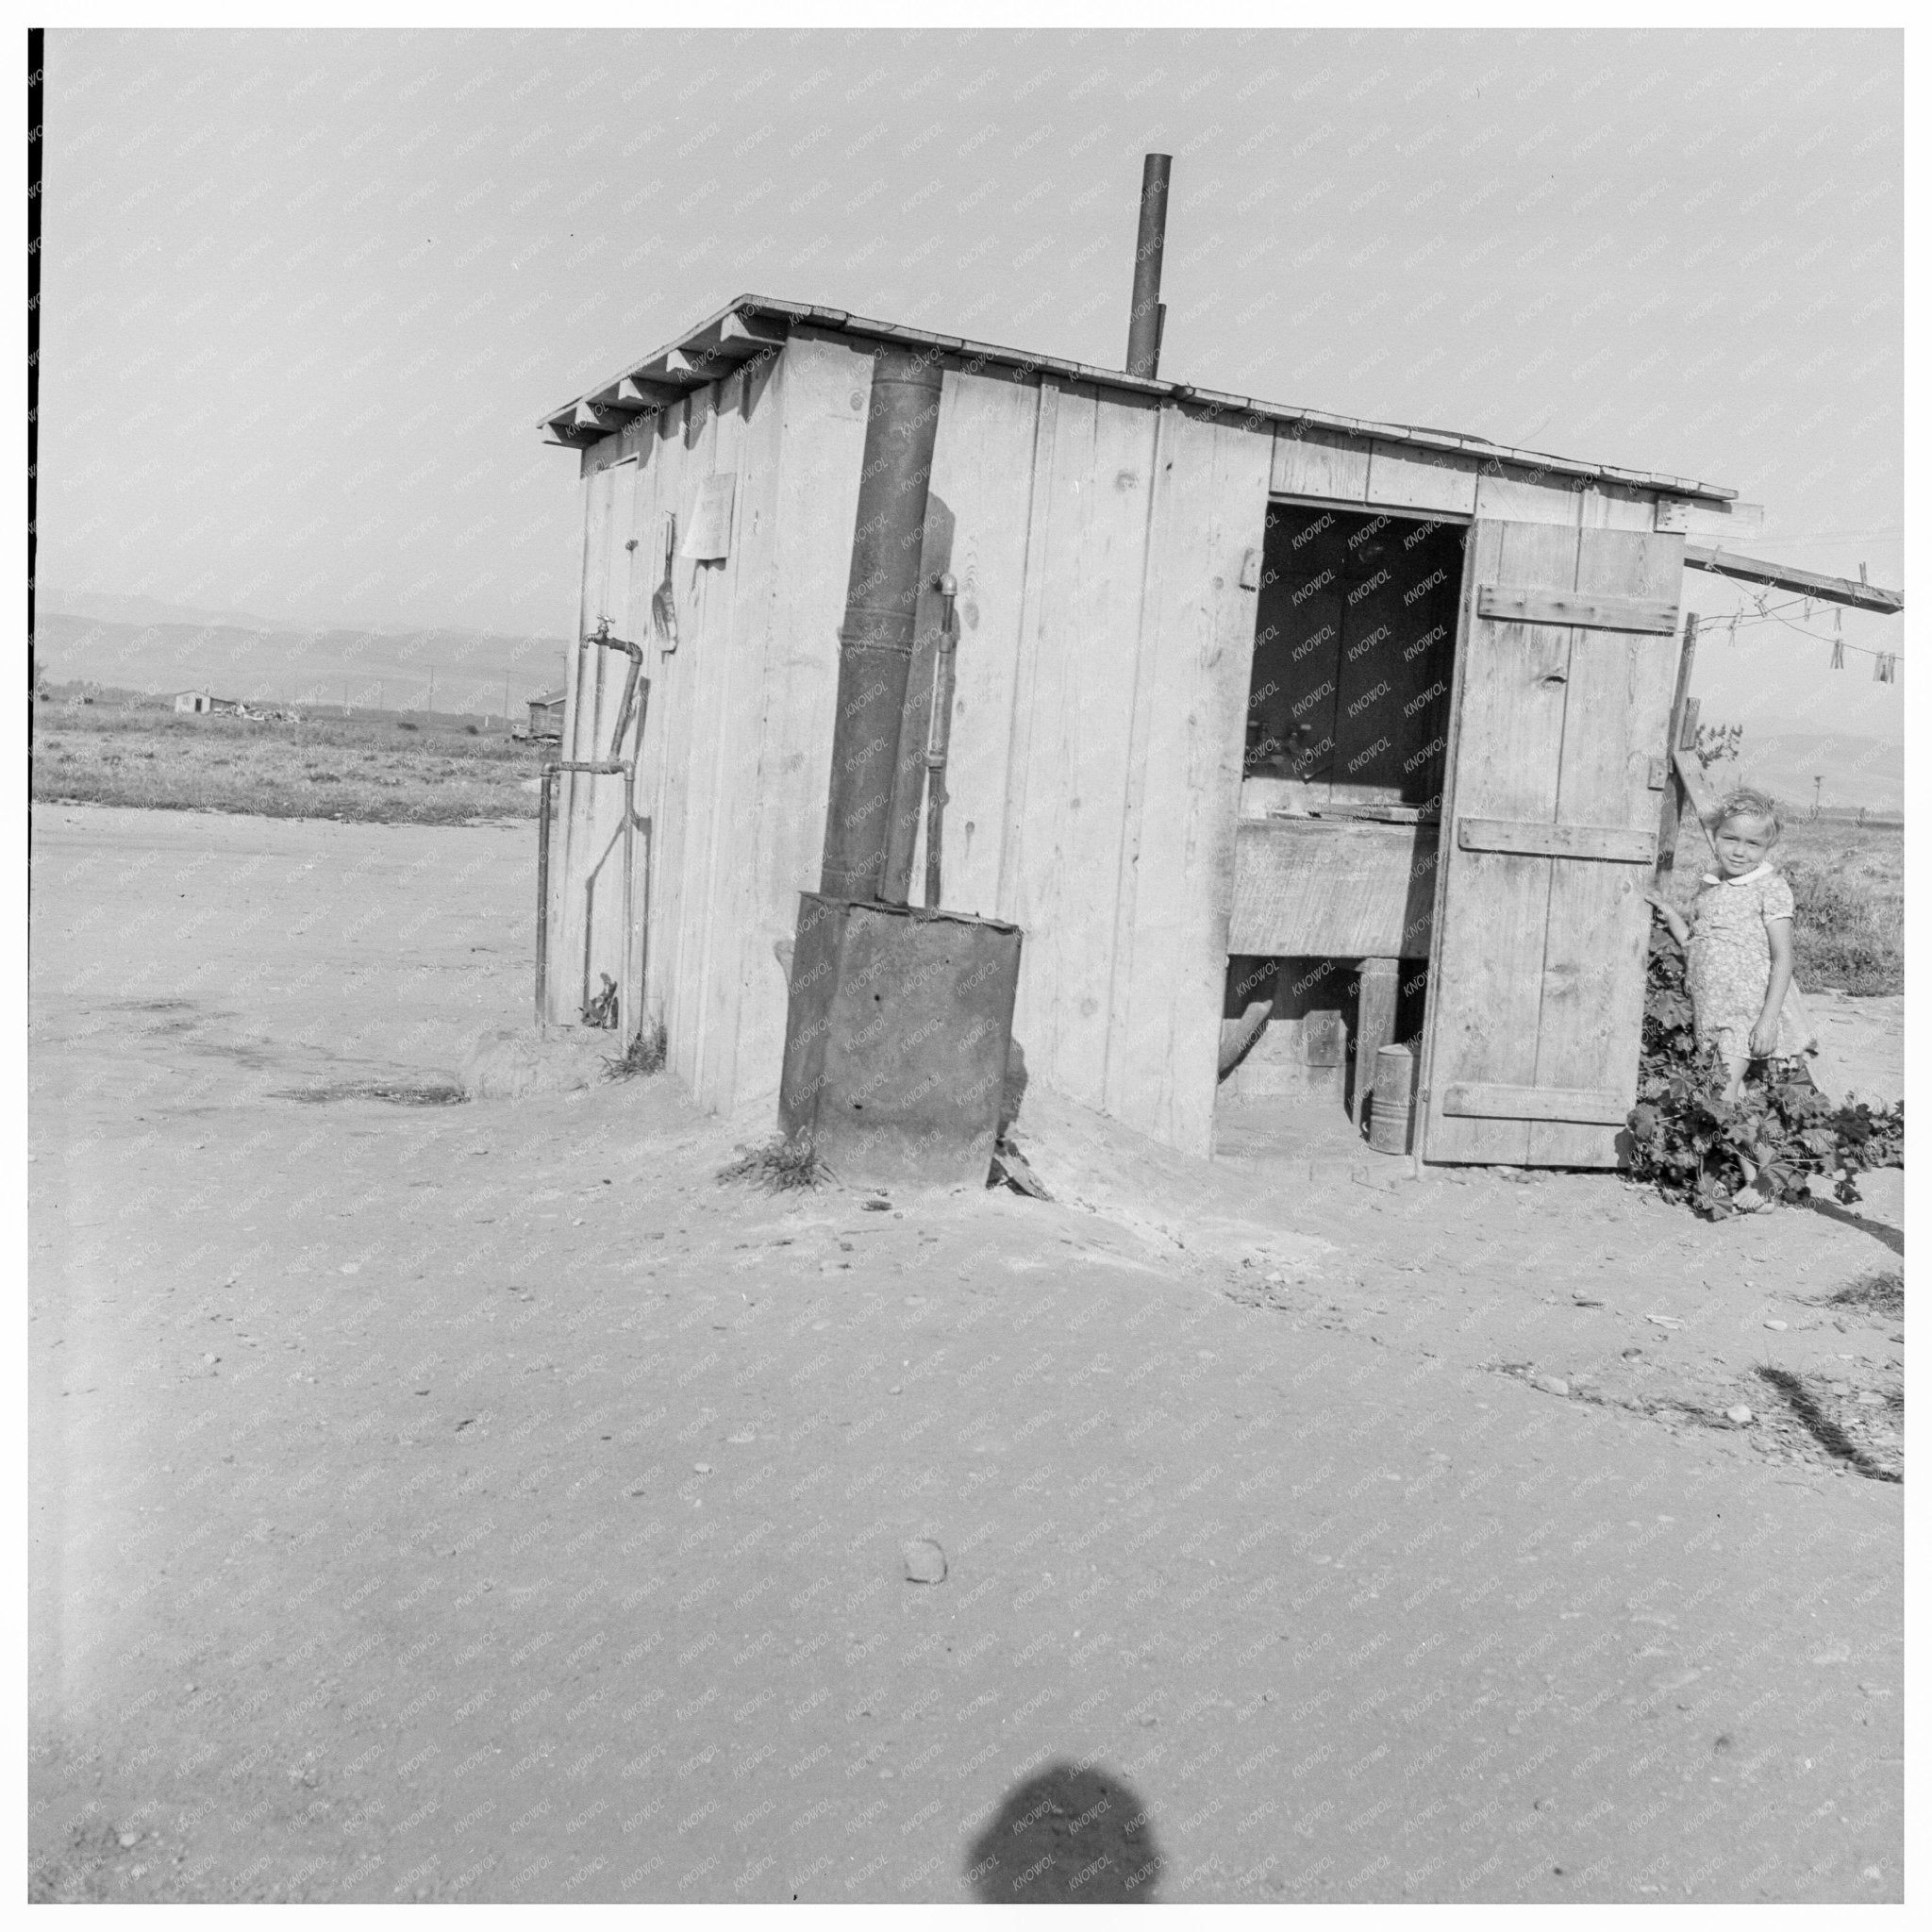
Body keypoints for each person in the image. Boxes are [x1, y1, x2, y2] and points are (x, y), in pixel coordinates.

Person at [1644, 788, 1816, 1104]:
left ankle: (1754, 1151)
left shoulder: (1770, 888)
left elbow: (1783, 958)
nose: (1739, 851)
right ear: (1714, 836)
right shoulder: (1710, 886)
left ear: (1768, 846)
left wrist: (1767, 1021)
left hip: (1745, 1012)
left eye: (1753, 844)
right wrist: (1670, 915)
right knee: (1726, 1093)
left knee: (1721, 1094)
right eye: (1730, 839)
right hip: (1708, 1009)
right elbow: (1695, 944)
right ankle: (1755, 1150)